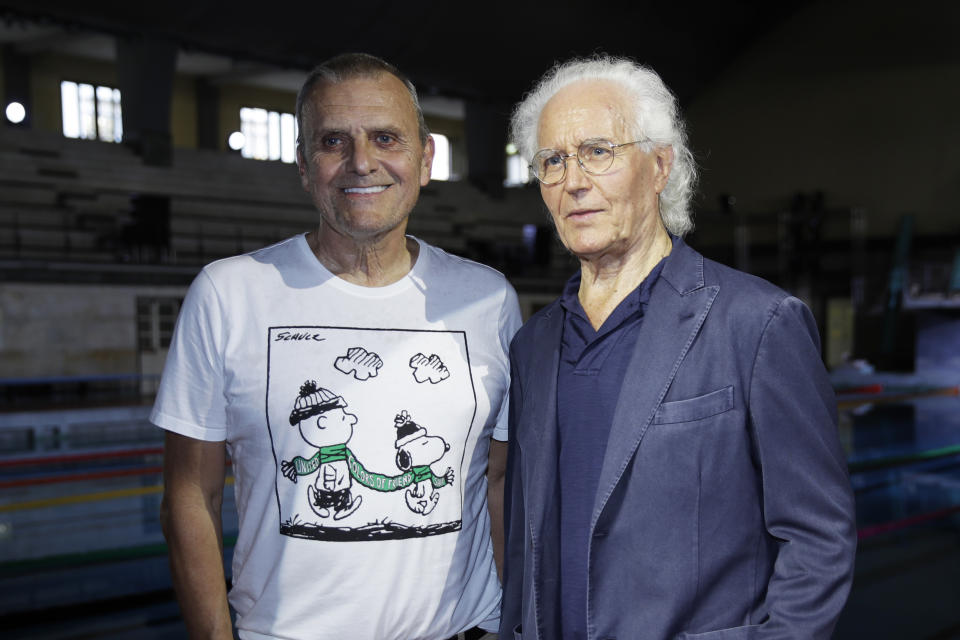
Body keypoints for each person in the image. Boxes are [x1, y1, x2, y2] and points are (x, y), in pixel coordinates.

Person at [154, 53, 520, 640]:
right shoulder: (230, 294)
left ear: (425, 160)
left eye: (385, 138)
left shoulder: (487, 299)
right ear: (304, 164)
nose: (362, 162)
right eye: (333, 141)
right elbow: (189, 498)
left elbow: (499, 481)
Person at [500, 56, 857, 640]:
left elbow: (818, 537)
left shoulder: (758, 325)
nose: (574, 181)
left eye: (598, 151)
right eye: (553, 161)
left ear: (660, 165)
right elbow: (525, 537)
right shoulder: (532, 346)